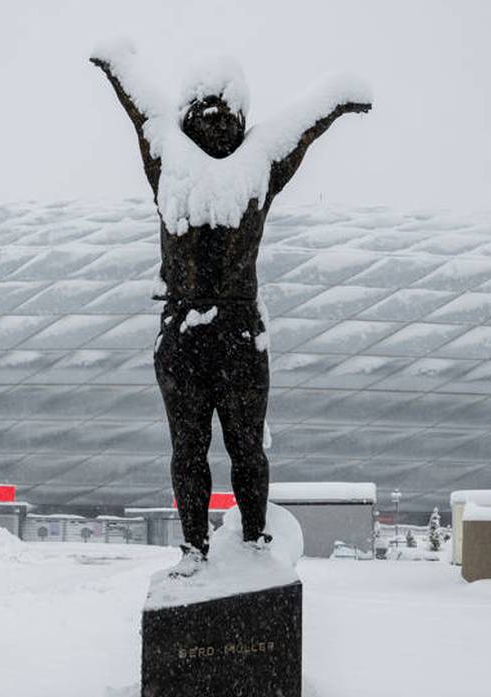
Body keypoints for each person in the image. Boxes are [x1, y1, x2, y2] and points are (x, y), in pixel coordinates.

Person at [90, 46, 371, 575]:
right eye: (207, 107)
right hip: (197, 333)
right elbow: (140, 105)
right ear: (189, 115)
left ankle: (252, 541)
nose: (217, 116)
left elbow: (302, 123)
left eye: (225, 109)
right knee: (194, 449)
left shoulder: (247, 163)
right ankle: (196, 548)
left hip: (229, 333)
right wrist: (115, 65)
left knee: (241, 451)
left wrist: (336, 101)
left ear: (241, 119)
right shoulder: (177, 161)